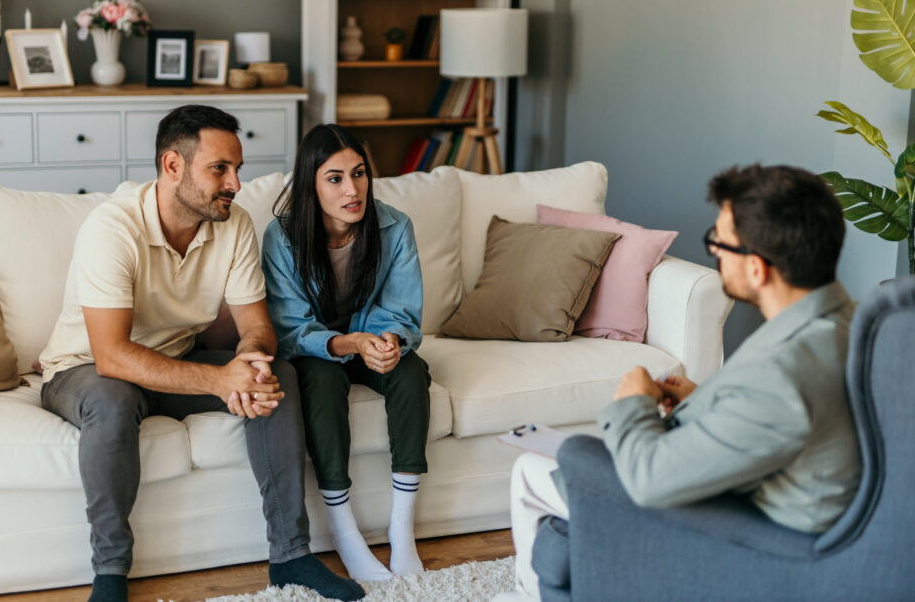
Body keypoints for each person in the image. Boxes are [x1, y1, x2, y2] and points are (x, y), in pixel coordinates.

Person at [38, 105, 364, 602]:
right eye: (220, 169)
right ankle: (109, 576)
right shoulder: (113, 228)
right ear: (173, 166)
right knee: (113, 399)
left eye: (237, 168)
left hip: (175, 359)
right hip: (86, 370)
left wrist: (249, 361)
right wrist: (218, 381)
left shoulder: (232, 225)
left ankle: (291, 557)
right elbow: (112, 356)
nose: (235, 182)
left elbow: (257, 325)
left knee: (276, 373)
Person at [501, 164, 862, 600]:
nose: (715, 253)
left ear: (756, 269)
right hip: (759, 489)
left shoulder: (783, 372)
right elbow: (770, 423)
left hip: (745, 539)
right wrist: (702, 400)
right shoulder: (849, 325)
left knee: (530, 470)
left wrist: (632, 403)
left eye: (719, 243)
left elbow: (649, 480)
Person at [262, 123, 431, 581]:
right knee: (319, 380)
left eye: (359, 174)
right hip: (318, 352)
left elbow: (402, 308)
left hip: (371, 343)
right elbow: (291, 328)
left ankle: (402, 528)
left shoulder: (395, 226)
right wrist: (347, 344)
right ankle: (344, 531)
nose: (352, 190)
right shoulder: (282, 239)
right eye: (334, 178)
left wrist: (389, 341)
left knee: (412, 373)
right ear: (311, 184)